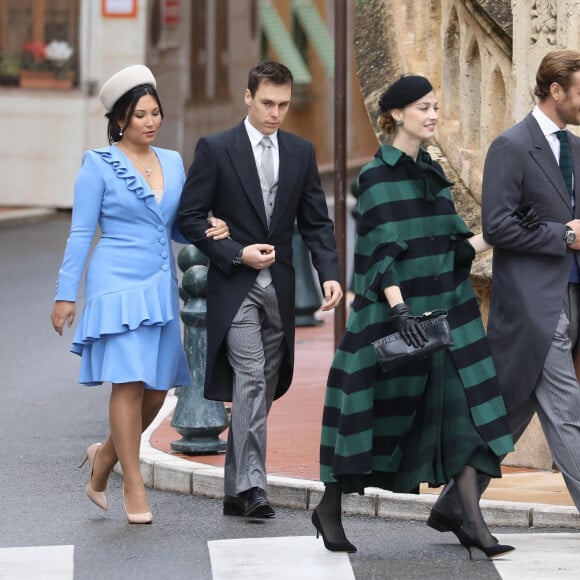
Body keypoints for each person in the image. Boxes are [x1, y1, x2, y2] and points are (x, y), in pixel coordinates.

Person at [314, 75, 516, 558]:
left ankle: (471, 520)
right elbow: (379, 252)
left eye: (435, 106)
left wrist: (496, 234)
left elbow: (451, 252)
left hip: (445, 317)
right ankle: (330, 508)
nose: (432, 115)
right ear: (397, 114)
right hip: (390, 321)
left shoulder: (433, 173)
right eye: (423, 107)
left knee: (466, 415)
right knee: (368, 419)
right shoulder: (376, 177)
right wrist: (399, 307)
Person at [50, 64, 229, 524]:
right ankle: (133, 483)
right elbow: (81, 233)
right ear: (120, 121)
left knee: (156, 392)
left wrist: (211, 227)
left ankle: (104, 457)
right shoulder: (97, 165)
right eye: (141, 115)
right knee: (128, 382)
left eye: (155, 113)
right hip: (116, 281)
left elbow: (176, 226)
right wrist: (65, 294)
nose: (151, 122)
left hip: (157, 284)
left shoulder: (171, 161)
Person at [177, 60, 343, 518]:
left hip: (281, 288)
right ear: (248, 97)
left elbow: (315, 221)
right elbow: (189, 217)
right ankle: (254, 487)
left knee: (262, 389)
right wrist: (236, 251)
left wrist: (329, 270)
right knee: (250, 377)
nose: (275, 113)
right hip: (235, 287)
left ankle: (235, 490)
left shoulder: (300, 151)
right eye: (267, 103)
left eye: (284, 105)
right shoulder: (215, 148)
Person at [428, 49, 580, 535]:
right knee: (566, 411)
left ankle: (454, 503)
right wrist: (564, 236)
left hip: (572, 296)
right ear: (556, 90)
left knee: (514, 408)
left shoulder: (575, 147)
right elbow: (496, 225)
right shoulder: (511, 146)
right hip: (533, 304)